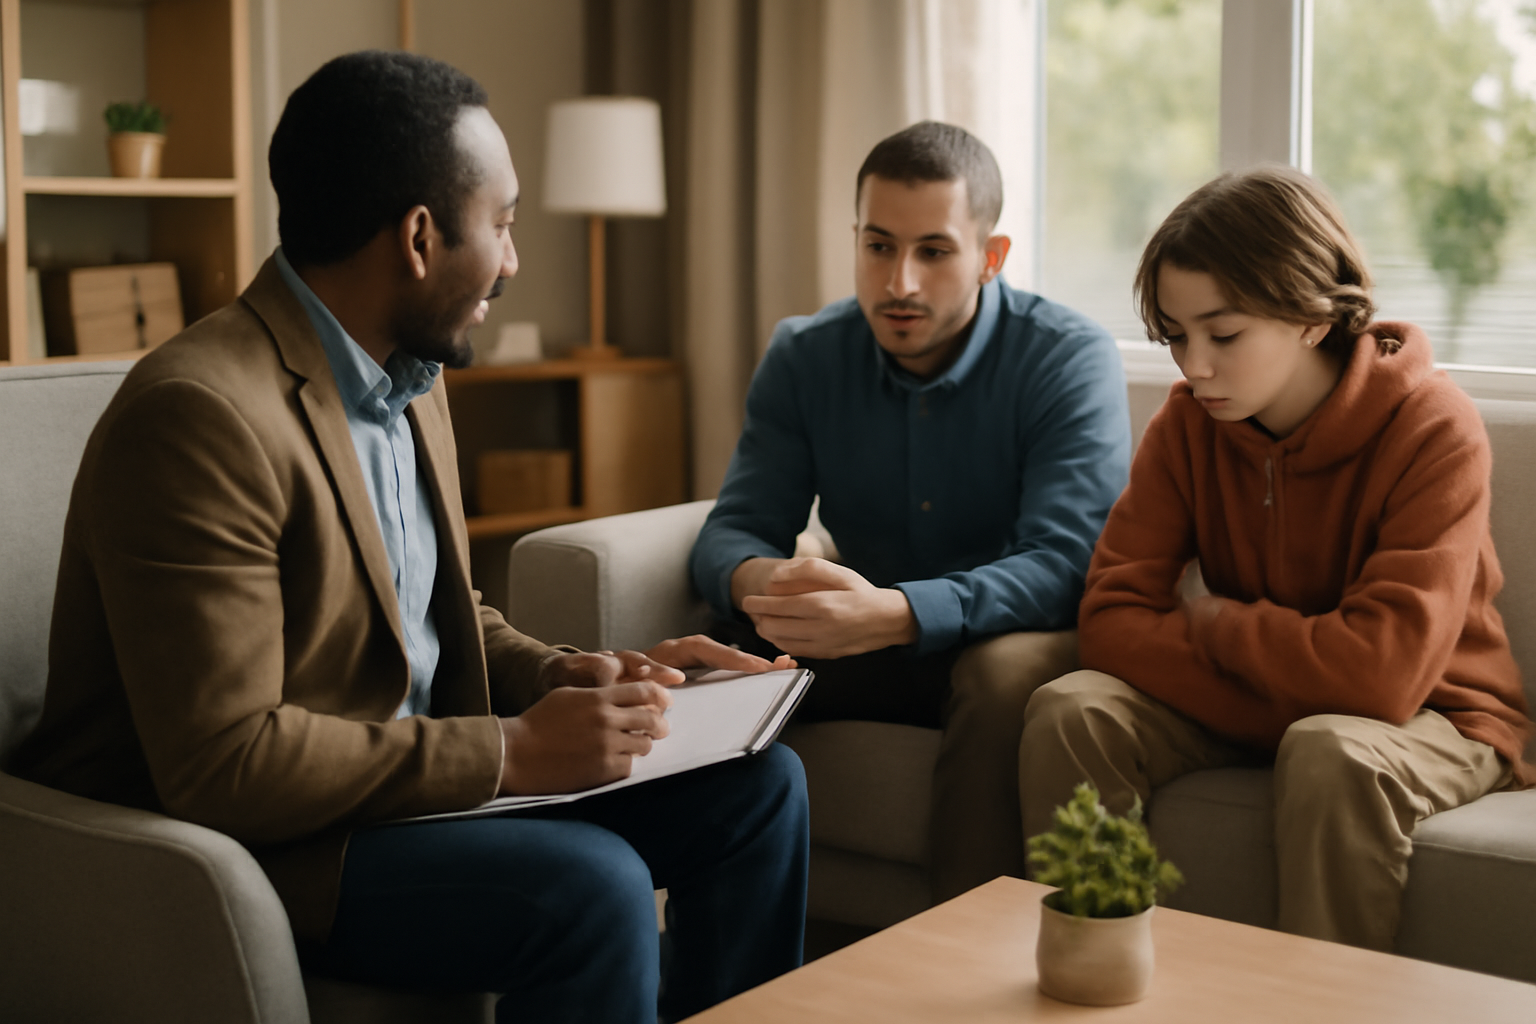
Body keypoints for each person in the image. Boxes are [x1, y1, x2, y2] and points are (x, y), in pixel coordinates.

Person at [13, 51, 808, 1023]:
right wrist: (514, 751)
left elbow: (434, 610)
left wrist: (570, 679)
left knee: (759, 787)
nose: (513, 262)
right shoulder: (199, 416)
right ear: (422, 237)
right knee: (594, 889)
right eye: (504, 224)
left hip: (418, 782)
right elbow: (224, 761)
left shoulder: (408, 375)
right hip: (283, 838)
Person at [1020, 166, 1534, 952]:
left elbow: (1382, 676)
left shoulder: (1435, 429)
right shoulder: (1188, 426)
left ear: (1309, 314)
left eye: (1223, 335)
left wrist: (1218, 627)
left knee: (1330, 750)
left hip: (1442, 715)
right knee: (1072, 708)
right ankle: (1097, 974)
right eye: (1175, 335)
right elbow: (1113, 621)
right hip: (1285, 704)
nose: (1194, 366)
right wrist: (1286, 687)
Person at [689, 121, 1131, 901]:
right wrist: (771, 582)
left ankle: (955, 965)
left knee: (999, 674)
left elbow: (1067, 563)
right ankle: (708, 979)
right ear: (855, 238)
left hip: (1011, 639)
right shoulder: (805, 353)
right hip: (863, 641)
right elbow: (733, 528)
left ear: (990, 257)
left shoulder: (1067, 356)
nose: (900, 283)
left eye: (934, 251)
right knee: (713, 659)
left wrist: (897, 613)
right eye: (879, 246)